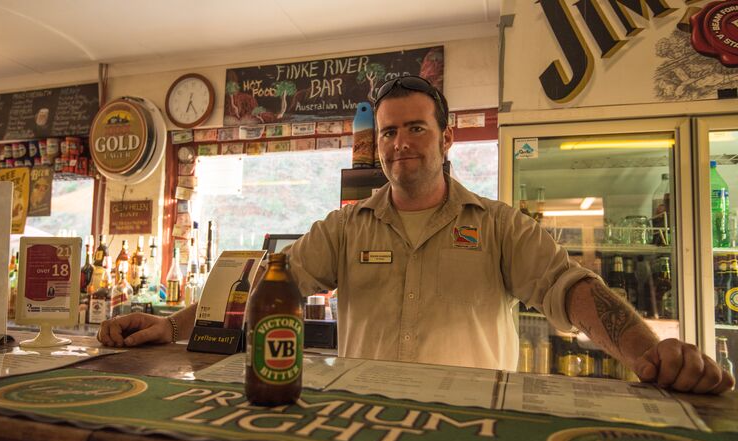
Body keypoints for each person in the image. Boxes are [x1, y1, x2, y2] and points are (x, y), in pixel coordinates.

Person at [99, 75, 734, 394]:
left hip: (470, 428)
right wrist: (173, 325)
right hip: (363, 423)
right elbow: (269, 286)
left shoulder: (501, 225)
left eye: (416, 129)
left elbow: (572, 289)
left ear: (447, 138)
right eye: (389, 132)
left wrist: (647, 355)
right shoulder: (345, 228)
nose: (400, 143)